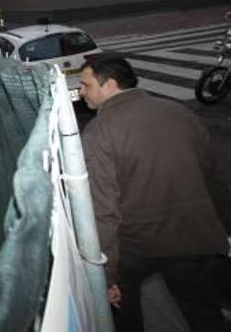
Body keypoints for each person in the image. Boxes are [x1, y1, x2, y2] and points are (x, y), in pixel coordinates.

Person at [78, 54, 229, 331]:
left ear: (109, 85)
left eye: (86, 85)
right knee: (204, 314)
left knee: (126, 319)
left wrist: (107, 274)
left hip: (135, 247)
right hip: (192, 237)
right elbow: (212, 178)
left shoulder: (99, 132)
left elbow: (103, 210)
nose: (80, 92)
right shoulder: (181, 113)